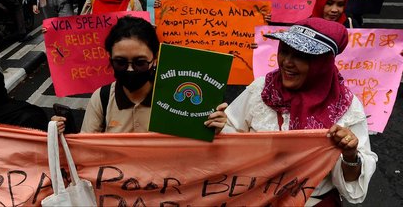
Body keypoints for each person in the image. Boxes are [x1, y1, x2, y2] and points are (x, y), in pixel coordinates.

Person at [219, 18, 377, 206]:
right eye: (284, 52)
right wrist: (218, 129)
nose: (287, 62)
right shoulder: (261, 90)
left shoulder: (346, 107)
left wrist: (350, 155)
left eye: (301, 56)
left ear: (322, 64)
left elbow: (352, 187)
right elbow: (230, 132)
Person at [51, 16, 227, 133]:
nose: (129, 69)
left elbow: (196, 153)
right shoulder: (102, 98)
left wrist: (217, 130)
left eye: (140, 63)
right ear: (110, 58)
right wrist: (61, 135)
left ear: (155, 59)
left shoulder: (177, 97)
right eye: (120, 62)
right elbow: (86, 151)